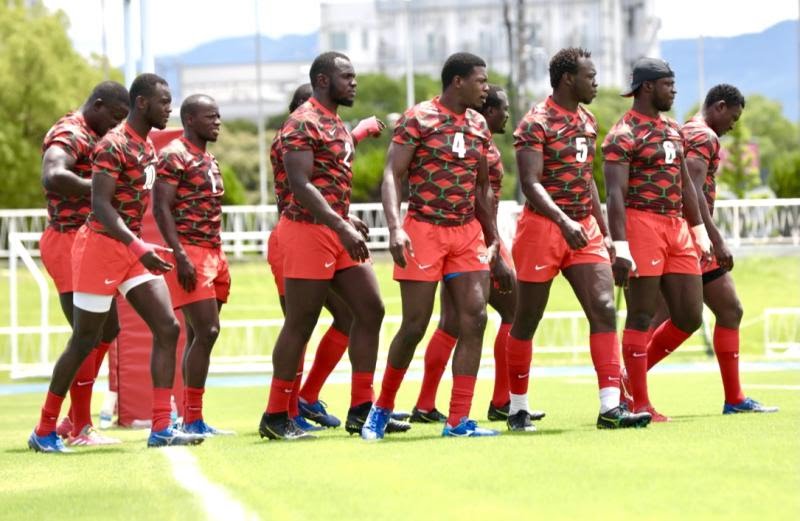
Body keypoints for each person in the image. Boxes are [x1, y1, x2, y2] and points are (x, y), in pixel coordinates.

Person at [28, 73, 204, 452]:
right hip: (94, 245)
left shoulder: (145, 146)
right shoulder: (102, 141)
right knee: (85, 338)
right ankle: (46, 428)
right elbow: (95, 203)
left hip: (127, 247)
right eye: (163, 101)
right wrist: (136, 240)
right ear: (140, 105)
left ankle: (160, 426)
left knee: (167, 327)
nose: (168, 108)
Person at [362, 52, 514, 440]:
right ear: (457, 81)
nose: (486, 87)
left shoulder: (479, 123)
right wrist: (396, 228)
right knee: (415, 324)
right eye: (480, 80)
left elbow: (482, 187)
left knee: (475, 318)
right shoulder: (419, 118)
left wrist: (493, 237)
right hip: (423, 230)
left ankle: (458, 420)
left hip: (466, 233)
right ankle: (380, 410)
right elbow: (392, 176)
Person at [505, 48, 652, 431]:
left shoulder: (587, 120)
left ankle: (610, 407)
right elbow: (530, 183)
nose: (597, 82)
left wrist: (603, 234)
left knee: (604, 306)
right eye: (591, 75)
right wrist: (562, 220)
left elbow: (587, 180)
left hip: (583, 229)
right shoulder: (535, 122)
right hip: (542, 228)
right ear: (568, 79)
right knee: (527, 319)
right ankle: (517, 407)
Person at [258, 52, 394, 441]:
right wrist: (339, 222)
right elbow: (300, 184)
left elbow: (328, 180)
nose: (354, 82)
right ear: (322, 80)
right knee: (300, 323)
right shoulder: (302, 121)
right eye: (346, 76)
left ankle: (361, 408)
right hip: (305, 232)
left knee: (370, 309)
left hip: (334, 231)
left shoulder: (334, 123)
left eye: (354, 76)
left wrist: (344, 220)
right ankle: (275, 415)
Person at [640, 84, 778, 415]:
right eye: (733, 116)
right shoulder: (704, 137)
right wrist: (715, 240)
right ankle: (623, 386)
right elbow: (694, 192)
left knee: (678, 316)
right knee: (707, 314)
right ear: (719, 107)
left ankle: (732, 398)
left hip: (673, 234)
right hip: (690, 239)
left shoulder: (686, 128)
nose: (733, 125)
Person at [407, 84, 525, 424]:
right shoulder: (475, 145)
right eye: (502, 108)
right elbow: (475, 197)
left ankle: (426, 403)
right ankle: (502, 399)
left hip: (466, 239)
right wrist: (491, 246)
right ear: (486, 111)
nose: (506, 115)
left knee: (452, 323)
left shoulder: (477, 142)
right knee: (514, 312)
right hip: (471, 241)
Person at [603, 57, 712, 422]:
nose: (674, 91)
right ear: (648, 86)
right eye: (669, 84)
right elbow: (615, 196)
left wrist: (698, 230)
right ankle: (640, 403)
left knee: (689, 315)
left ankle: (626, 378)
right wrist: (619, 246)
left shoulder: (672, 129)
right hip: (641, 225)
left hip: (676, 227)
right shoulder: (623, 134)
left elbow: (685, 185)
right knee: (641, 315)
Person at [39, 81, 130, 446]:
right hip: (66, 241)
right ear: (97, 104)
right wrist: (99, 188)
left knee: (106, 331)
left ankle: (73, 423)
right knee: (87, 334)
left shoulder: (95, 132)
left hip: (86, 242)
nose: (116, 124)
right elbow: (53, 175)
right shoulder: (70, 131)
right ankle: (75, 425)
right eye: (114, 116)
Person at [153, 94, 236, 437]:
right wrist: (180, 254)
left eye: (218, 116)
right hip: (190, 253)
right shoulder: (174, 155)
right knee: (207, 330)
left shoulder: (209, 158)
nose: (217, 122)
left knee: (200, 335)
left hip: (214, 253)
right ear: (189, 120)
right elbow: (161, 208)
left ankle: (191, 417)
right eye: (209, 117)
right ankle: (191, 417)